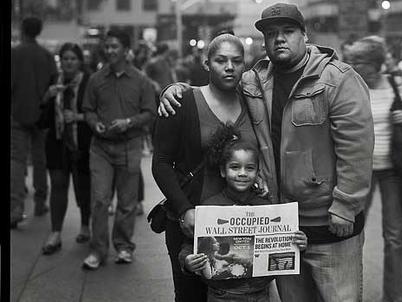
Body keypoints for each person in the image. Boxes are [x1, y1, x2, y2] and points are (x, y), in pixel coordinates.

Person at [159, 3, 374, 301]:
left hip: (330, 223)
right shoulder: (256, 80)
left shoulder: (338, 79)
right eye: (272, 34)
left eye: (288, 31)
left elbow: (358, 148)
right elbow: (219, 83)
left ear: (305, 34)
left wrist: (346, 206)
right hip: (281, 226)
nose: (279, 39)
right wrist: (178, 88)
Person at [151, 33, 260, 302]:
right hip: (192, 222)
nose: (229, 66)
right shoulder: (183, 102)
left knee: (241, 295)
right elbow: (161, 163)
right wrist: (184, 210)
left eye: (236, 61)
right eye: (221, 60)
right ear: (206, 63)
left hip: (241, 224)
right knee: (192, 296)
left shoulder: (254, 103)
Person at [179, 125, 307, 302]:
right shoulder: (210, 208)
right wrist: (187, 261)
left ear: (257, 173)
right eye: (234, 167)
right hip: (222, 295)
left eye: (249, 168)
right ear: (223, 171)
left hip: (261, 293)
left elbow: (284, 248)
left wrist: (299, 243)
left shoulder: (266, 208)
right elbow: (188, 246)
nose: (242, 173)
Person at [345, 36, 402, 302]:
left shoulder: (397, 85)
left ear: (377, 63)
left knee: (394, 238)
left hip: (393, 170)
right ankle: (347, 294)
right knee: (351, 235)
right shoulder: (351, 85)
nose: (355, 66)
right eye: (352, 60)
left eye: (361, 61)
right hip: (359, 170)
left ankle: (394, 297)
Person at [81, 29, 156, 270]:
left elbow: (150, 113)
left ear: (126, 49)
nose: (110, 51)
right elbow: (88, 110)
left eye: (115, 46)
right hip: (101, 148)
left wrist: (128, 122)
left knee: (127, 203)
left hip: (130, 146)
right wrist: (95, 123)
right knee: (100, 200)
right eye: (108, 46)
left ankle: (123, 246)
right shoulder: (96, 79)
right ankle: (98, 250)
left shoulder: (140, 80)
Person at [38, 43, 94, 255]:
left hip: (83, 144)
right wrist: (47, 97)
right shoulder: (54, 81)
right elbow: (41, 120)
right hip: (57, 143)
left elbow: (97, 113)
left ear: (80, 61)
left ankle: (85, 225)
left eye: (72, 58)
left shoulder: (89, 82)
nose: (68, 62)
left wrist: (78, 117)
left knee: (84, 187)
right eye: (65, 59)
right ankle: (56, 233)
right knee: (58, 186)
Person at [11, 16, 58, 228]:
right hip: (41, 115)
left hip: (17, 113)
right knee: (41, 159)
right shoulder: (47, 56)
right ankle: (41, 201)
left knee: (17, 160)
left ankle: (16, 207)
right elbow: (53, 83)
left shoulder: (14, 54)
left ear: (23, 29)